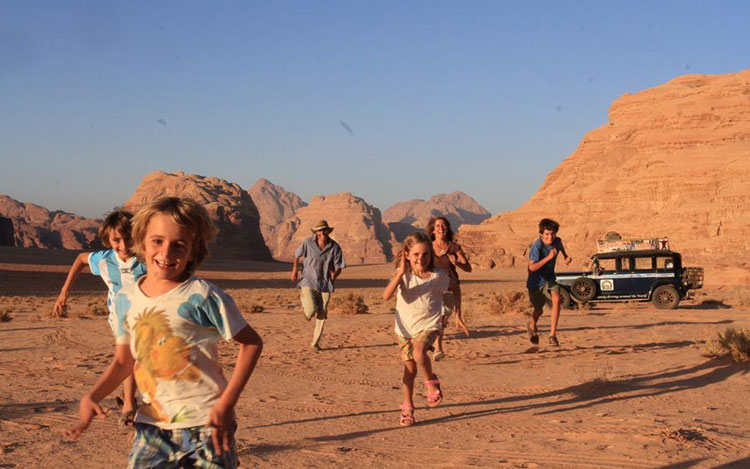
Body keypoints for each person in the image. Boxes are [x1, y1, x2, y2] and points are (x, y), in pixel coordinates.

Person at [66, 197, 263, 469]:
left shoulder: (203, 296)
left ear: (194, 251)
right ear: (141, 242)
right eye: (157, 241)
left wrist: (226, 404)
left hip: (207, 422)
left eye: (179, 245)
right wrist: (92, 396)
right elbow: (124, 361)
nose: (166, 253)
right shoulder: (126, 297)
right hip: (152, 424)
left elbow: (251, 343)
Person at [53, 210, 146, 423]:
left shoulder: (145, 260)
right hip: (120, 317)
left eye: (128, 238)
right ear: (107, 240)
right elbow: (80, 259)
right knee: (130, 356)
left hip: (149, 316)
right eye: (116, 240)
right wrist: (64, 292)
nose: (123, 245)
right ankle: (130, 405)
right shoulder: (104, 260)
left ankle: (130, 399)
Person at [383, 232, 454, 426]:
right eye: (415, 255)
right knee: (409, 371)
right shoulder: (403, 277)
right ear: (407, 254)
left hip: (429, 326)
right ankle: (408, 406)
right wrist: (399, 273)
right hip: (404, 330)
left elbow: (452, 292)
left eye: (425, 255)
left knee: (419, 353)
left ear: (431, 256)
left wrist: (453, 314)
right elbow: (386, 296)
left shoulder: (439, 277)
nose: (420, 259)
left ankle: (431, 384)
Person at [290, 220, 345, 351]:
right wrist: (294, 271)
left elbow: (340, 265)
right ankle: (307, 311)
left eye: (323, 230)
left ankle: (315, 342)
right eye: (318, 231)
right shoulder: (307, 243)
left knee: (322, 313)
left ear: (328, 231)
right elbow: (296, 256)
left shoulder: (334, 247)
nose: (321, 233)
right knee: (311, 309)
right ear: (315, 232)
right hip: (308, 280)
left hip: (325, 283)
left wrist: (335, 274)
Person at [426, 216, 471, 360]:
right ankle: (431, 342)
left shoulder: (453, 247)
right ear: (433, 230)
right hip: (432, 287)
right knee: (433, 319)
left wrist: (456, 261)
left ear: (447, 228)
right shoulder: (428, 248)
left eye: (443, 225)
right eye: (438, 226)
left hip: (450, 287)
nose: (441, 228)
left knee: (441, 318)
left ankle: (438, 347)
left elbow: (468, 268)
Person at [526, 218, 572, 347]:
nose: (550, 237)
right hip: (535, 282)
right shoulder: (537, 246)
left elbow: (562, 250)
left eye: (552, 234)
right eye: (546, 234)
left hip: (550, 279)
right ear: (541, 234)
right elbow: (532, 268)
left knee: (557, 299)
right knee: (538, 310)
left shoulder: (557, 241)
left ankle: (552, 335)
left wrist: (566, 258)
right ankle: (532, 325)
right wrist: (549, 258)